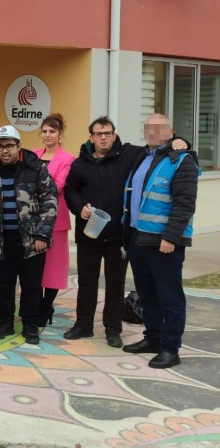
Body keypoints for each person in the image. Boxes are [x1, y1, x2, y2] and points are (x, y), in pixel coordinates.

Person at [63, 117, 188, 348]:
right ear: (91, 137)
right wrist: (79, 207)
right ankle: (83, 325)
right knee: (87, 282)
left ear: (114, 135)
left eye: (107, 133)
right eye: (98, 134)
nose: (103, 138)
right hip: (89, 234)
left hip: (118, 236)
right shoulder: (80, 164)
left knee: (115, 283)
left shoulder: (130, 155)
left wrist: (180, 141)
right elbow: (70, 190)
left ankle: (113, 328)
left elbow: (158, 147)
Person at [121, 114, 199, 369]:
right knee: (147, 295)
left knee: (170, 297)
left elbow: (185, 204)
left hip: (164, 242)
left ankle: (170, 348)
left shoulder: (182, 160)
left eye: (159, 127)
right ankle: (153, 338)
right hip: (138, 237)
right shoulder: (142, 156)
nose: (153, 131)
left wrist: (171, 237)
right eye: (149, 127)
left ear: (170, 131)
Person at [0, 125, 58, 345]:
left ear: (19, 146)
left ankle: (30, 324)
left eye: (9, 145)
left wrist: (42, 235)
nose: (5, 150)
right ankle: (5, 322)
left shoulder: (35, 169)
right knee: (4, 285)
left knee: (31, 285)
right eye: (0, 147)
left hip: (31, 240)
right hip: (0, 240)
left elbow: (50, 200)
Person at [33, 113, 75, 327]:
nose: (47, 135)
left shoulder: (68, 159)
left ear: (60, 135)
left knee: (54, 266)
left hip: (56, 220)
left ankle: (46, 306)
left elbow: (58, 186)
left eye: (52, 131)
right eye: (44, 131)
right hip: (31, 218)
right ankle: (36, 304)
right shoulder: (33, 155)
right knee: (34, 265)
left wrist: (32, 187)